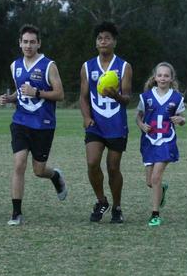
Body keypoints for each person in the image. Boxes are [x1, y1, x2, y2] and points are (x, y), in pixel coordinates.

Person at [0, 24, 67, 226]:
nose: (28, 45)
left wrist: (36, 92)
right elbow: (20, 94)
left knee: (39, 170)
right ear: (19, 43)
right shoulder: (15, 66)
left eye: (32, 42)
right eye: (25, 42)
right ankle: (16, 213)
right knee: (19, 164)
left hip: (43, 125)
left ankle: (55, 176)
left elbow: (60, 95)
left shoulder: (48, 65)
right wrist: (9, 99)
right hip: (20, 122)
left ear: (39, 43)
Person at [79, 21, 132, 223]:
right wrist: (86, 117)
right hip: (96, 125)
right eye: (100, 38)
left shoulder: (124, 67)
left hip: (117, 124)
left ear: (114, 42)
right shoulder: (87, 66)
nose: (103, 41)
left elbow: (127, 99)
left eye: (107, 38)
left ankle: (117, 207)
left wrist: (115, 95)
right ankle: (101, 201)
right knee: (92, 163)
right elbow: (83, 96)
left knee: (113, 167)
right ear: (96, 43)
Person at [136, 62, 185, 227]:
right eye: (160, 75)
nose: (163, 78)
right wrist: (142, 125)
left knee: (156, 177)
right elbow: (139, 117)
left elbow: (182, 118)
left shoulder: (177, 97)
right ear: (155, 77)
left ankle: (155, 214)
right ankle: (161, 189)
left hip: (166, 141)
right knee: (150, 182)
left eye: (166, 75)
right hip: (149, 141)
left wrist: (180, 120)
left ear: (171, 78)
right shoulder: (146, 97)